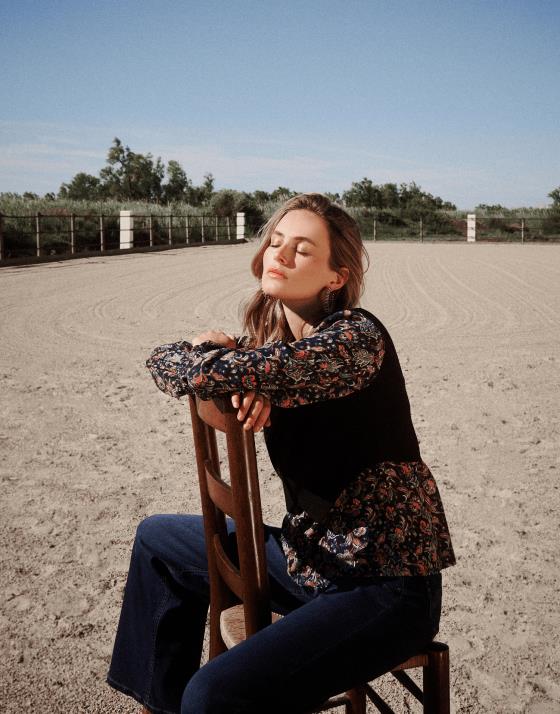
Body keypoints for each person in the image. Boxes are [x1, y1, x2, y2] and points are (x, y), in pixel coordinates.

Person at [107, 193, 456, 714]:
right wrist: (225, 358)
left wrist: (218, 357)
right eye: (275, 242)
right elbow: (163, 361)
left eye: (302, 250)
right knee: (157, 540)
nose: (280, 254)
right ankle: (162, 704)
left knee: (214, 694)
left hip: (384, 585)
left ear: (336, 277)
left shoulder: (355, 340)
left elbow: (205, 371)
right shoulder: (270, 348)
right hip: (308, 559)